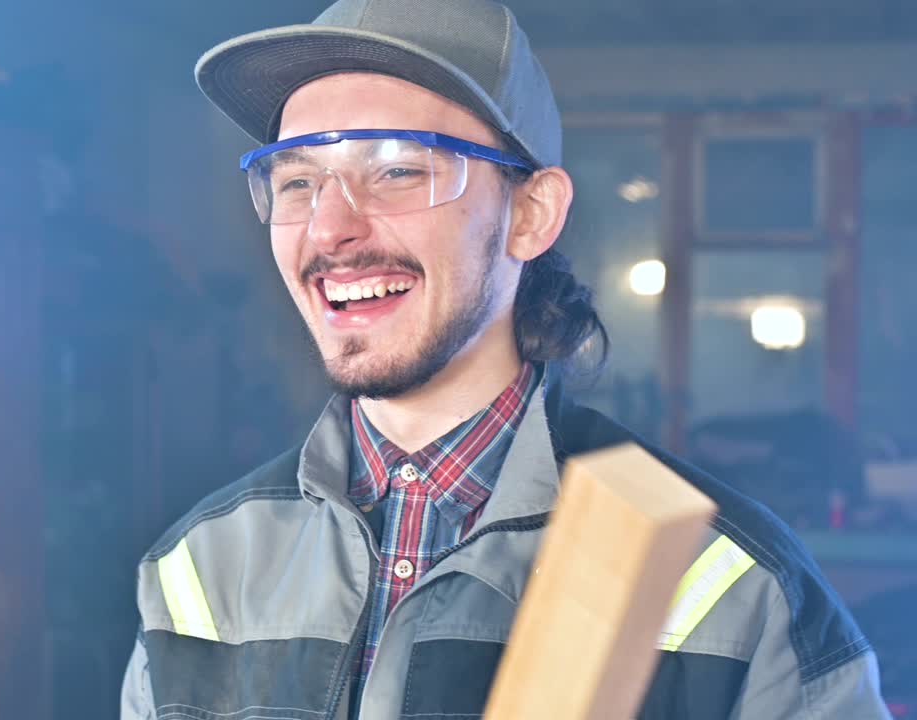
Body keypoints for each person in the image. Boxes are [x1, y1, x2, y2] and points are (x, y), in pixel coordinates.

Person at [121, 0, 890, 717]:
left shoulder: (728, 585)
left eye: (396, 169)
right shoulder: (198, 569)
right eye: (296, 181)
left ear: (530, 215)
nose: (329, 230)